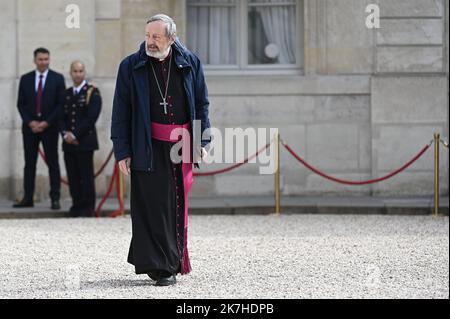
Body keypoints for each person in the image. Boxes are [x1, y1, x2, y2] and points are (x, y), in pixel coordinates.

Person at [111, 14, 211, 286]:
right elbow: (120, 111)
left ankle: (171, 261)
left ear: (172, 38)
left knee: (174, 206)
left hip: (181, 148)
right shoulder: (131, 66)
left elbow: (201, 104)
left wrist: (202, 141)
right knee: (153, 207)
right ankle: (161, 266)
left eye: (156, 37)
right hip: (147, 146)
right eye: (147, 36)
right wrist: (122, 151)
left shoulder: (190, 62)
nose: (150, 42)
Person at [14, 48, 65, 209]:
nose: (43, 62)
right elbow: (20, 104)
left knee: (53, 163)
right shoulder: (26, 79)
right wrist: (31, 122)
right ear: (35, 60)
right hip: (30, 129)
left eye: (46, 59)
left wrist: (46, 123)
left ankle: (55, 198)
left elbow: (60, 104)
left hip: (49, 128)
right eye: (40, 59)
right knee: (29, 164)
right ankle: (28, 198)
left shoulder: (57, 78)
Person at [60, 61, 102, 217]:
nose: (78, 74)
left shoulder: (92, 92)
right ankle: (76, 206)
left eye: (80, 71)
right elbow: (61, 117)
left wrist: (75, 134)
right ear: (70, 73)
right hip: (68, 143)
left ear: (84, 72)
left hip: (85, 142)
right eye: (75, 71)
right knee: (73, 176)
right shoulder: (66, 93)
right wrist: (65, 134)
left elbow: (91, 118)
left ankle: (87, 207)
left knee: (86, 176)